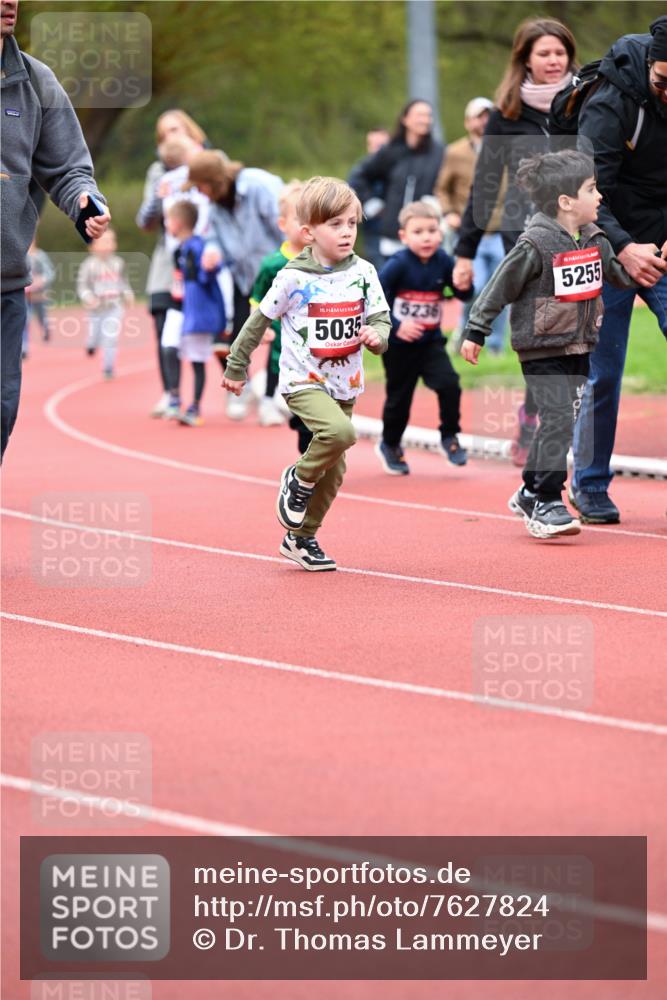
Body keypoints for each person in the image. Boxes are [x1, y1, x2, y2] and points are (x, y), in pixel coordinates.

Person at [460, 151, 635, 540]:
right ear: (566, 201)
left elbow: (621, 276)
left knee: (561, 421)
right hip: (541, 348)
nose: (600, 196)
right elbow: (498, 288)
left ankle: (528, 490)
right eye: (591, 189)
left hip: (580, 346)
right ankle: (547, 500)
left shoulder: (595, 239)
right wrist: (476, 330)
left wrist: (655, 261)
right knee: (557, 419)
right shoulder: (535, 244)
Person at [222, 176, 390, 572]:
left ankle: (301, 538)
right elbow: (258, 321)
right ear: (308, 232)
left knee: (336, 470)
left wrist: (377, 337)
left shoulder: (364, 272)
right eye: (335, 224)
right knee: (342, 433)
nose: (346, 232)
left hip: (345, 384)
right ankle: (297, 478)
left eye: (351, 223)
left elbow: (381, 318)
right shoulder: (293, 277)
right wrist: (237, 364)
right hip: (303, 381)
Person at [453, 17, 578, 465]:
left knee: (575, 332)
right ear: (525, 59)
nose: (553, 60)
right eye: (544, 53)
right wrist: (464, 252)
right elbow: (485, 186)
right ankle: (534, 417)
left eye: (560, 52)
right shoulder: (505, 116)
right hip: (526, 236)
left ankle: (550, 415)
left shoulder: (584, 101)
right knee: (545, 331)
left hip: (579, 232)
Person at [1, 0, 110, 460]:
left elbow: (68, 169)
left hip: (5, 283)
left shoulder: (36, 81)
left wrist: (84, 200)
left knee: (2, 408)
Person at [569, 15, 667, 524]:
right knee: (603, 371)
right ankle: (588, 483)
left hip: (664, 242)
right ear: (651, 64)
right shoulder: (612, 102)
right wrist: (624, 248)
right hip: (606, 245)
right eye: (664, 81)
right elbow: (586, 193)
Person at [375, 200, 472, 475]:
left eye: (432, 230)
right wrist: (396, 325)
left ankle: (449, 437)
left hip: (431, 343)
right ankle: (390, 444)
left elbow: (462, 293)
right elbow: (374, 298)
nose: (427, 237)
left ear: (441, 233)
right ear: (403, 236)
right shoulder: (397, 264)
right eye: (418, 232)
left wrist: (465, 284)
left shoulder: (444, 261)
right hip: (399, 346)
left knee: (450, 384)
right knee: (399, 398)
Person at [187, 150, 283, 421]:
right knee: (239, 334)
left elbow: (284, 225)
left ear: (213, 181)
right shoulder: (215, 206)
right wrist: (213, 251)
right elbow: (213, 237)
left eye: (200, 186)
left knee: (279, 339)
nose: (198, 193)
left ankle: (269, 400)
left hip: (277, 274)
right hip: (244, 278)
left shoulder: (257, 186)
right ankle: (243, 387)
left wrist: (295, 262)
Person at [136, 109, 209, 417]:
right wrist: (159, 195)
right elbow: (145, 221)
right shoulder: (158, 171)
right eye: (164, 134)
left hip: (206, 257)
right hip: (168, 261)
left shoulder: (208, 162)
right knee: (164, 320)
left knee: (215, 325)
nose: (171, 138)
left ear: (191, 132)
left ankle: (236, 386)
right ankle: (171, 393)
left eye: (176, 130)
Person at [435, 97, 508, 353]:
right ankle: (465, 332)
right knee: (474, 287)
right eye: (479, 116)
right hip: (470, 233)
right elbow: (441, 189)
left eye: (488, 115)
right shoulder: (455, 152)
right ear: (468, 122)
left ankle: (496, 346)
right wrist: (448, 213)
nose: (484, 121)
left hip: (501, 230)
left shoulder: (504, 149)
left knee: (501, 290)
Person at [249, 180, 314, 445]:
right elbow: (257, 297)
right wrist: (261, 326)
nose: (305, 226)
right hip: (280, 329)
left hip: (311, 332)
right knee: (276, 362)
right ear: (282, 224)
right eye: (299, 220)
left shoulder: (323, 259)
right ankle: (267, 400)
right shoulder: (273, 263)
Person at [350, 100, 445, 266]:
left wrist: (440, 203)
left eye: (428, 115)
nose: (425, 120)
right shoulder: (391, 150)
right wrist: (371, 203)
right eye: (420, 115)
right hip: (392, 234)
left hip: (425, 235)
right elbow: (360, 176)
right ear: (405, 119)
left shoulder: (439, 153)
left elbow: (450, 186)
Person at [162, 201, 226, 425]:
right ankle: (174, 397)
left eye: (168, 220)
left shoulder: (198, 247)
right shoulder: (179, 249)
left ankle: (195, 407)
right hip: (178, 308)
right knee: (168, 347)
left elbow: (210, 270)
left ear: (178, 223)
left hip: (198, 313)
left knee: (197, 359)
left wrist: (212, 266)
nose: (166, 224)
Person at [77, 229, 134, 380]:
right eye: (103, 241)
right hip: (95, 309)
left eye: (110, 241)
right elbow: (82, 287)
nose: (108, 245)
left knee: (110, 336)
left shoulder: (118, 263)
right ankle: (91, 344)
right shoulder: (88, 265)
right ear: (93, 245)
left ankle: (108, 367)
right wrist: (89, 298)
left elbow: (123, 283)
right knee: (94, 334)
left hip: (114, 307)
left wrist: (128, 294)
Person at [347, 127, 390, 270]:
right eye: (373, 145)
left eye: (381, 145)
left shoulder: (396, 167)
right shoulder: (360, 169)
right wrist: (368, 202)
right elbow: (351, 191)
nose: (377, 150)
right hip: (373, 228)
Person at [23, 238, 55, 358]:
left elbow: (50, 273)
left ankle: (45, 329)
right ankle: (24, 347)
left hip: (39, 294)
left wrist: (41, 280)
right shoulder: (21, 255)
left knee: (42, 316)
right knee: (24, 319)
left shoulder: (40, 256)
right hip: (25, 295)